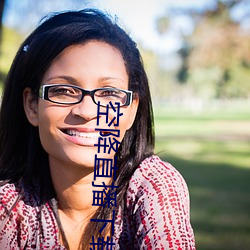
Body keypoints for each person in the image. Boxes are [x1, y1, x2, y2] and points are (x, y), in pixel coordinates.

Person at [0, 9, 195, 250]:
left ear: (131, 110)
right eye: (64, 90)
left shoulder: (155, 187)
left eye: (109, 93)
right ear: (32, 106)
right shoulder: (9, 206)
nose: (87, 110)